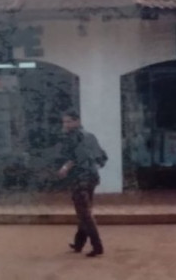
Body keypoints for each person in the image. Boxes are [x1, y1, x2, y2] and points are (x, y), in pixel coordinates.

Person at [57, 110, 108, 257]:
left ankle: (97, 246)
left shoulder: (74, 137)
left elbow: (75, 157)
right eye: (64, 122)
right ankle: (79, 243)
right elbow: (103, 158)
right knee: (84, 210)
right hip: (91, 177)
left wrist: (65, 168)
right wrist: (92, 168)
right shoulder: (90, 136)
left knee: (84, 213)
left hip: (81, 178)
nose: (65, 125)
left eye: (68, 122)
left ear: (76, 122)